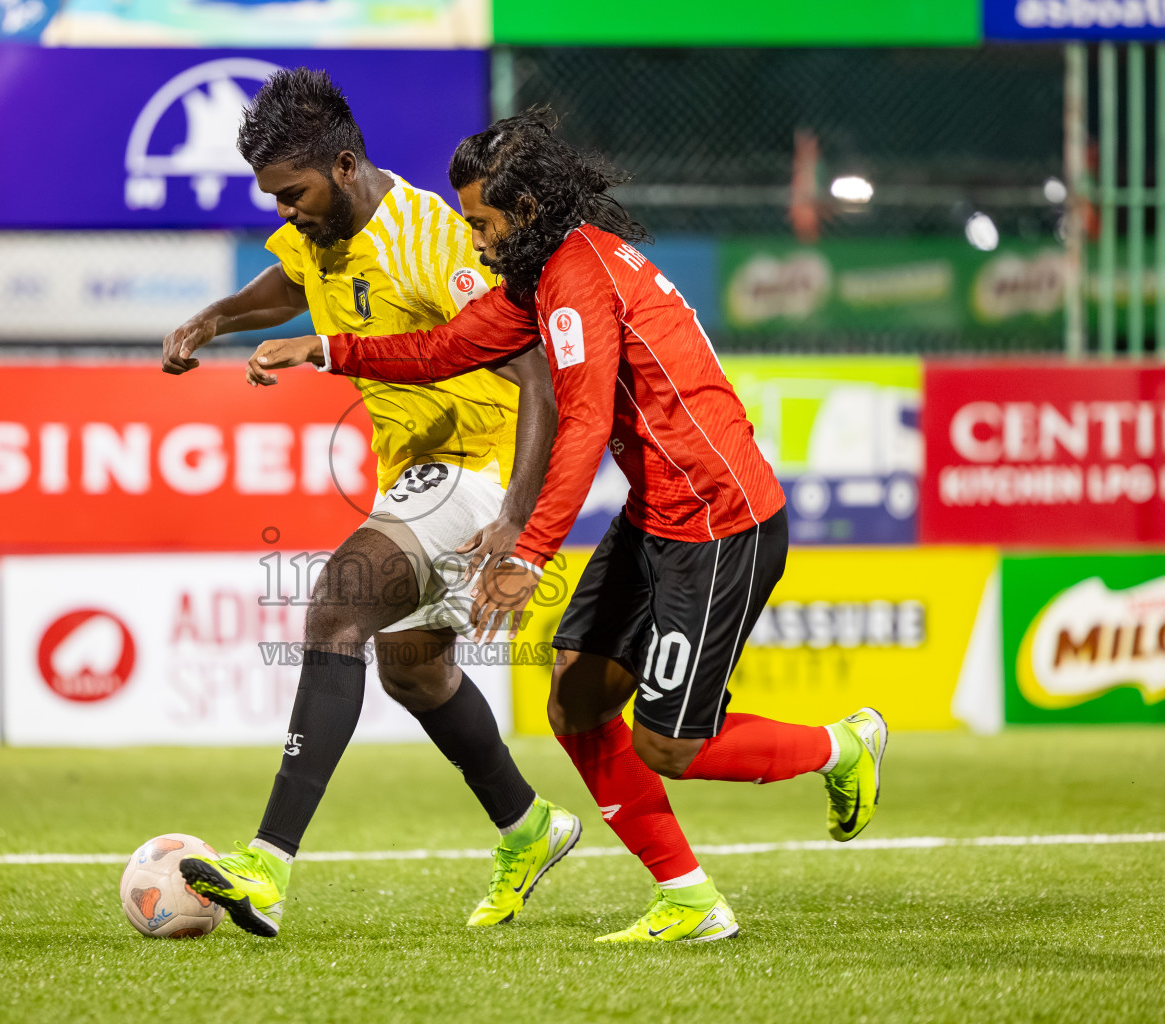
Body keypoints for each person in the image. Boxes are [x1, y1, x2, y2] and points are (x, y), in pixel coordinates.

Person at [248, 110, 889, 943]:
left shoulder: (578, 280)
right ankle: (689, 900)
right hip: (660, 513)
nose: (472, 241)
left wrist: (526, 548)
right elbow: (446, 348)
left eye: (480, 222)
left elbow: (582, 425)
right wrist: (327, 352)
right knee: (577, 702)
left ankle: (843, 748)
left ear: (527, 209)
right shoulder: (548, 274)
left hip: (719, 521)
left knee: (672, 747)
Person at [165, 69, 580, 938]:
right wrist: (213, 319)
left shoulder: (430, 240)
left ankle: (266, 867)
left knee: (336, 611)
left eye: (294, 193)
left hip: (479, 465)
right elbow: (287, 287)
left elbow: (535, 368)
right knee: (411, 668)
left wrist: (521, 519)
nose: (285, 211)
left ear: (345, 166)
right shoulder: (318, 236)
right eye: (273, 196)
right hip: (419, 469)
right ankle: (529, 826)